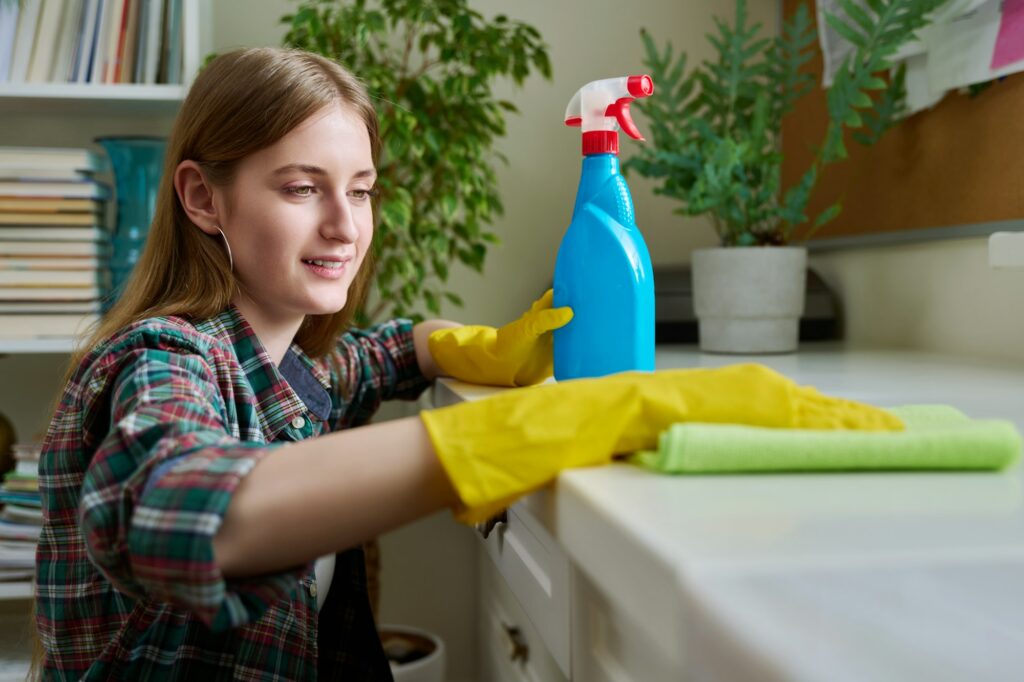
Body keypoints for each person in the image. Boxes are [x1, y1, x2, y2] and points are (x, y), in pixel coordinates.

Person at [34, 47, 901, 681]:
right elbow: (180, 504)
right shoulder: (159, 360)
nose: (345, 224)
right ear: (201, 197)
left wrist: (455, 346)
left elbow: (363, 364)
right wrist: (536, 425)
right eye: (302, 188)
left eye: (362, 188)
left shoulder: (273, 357)